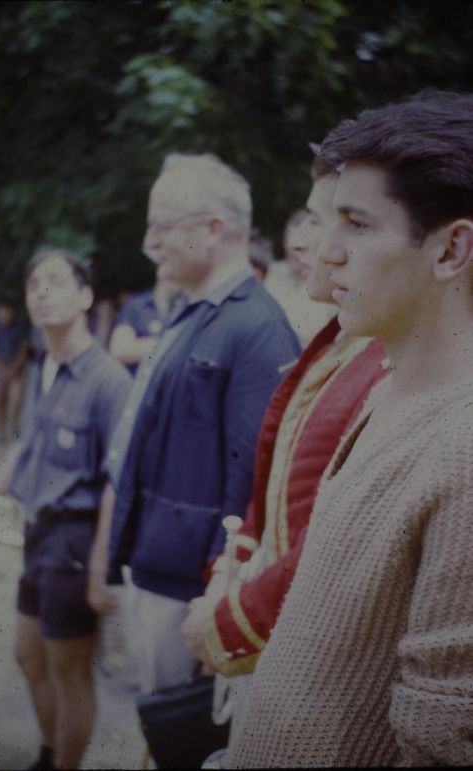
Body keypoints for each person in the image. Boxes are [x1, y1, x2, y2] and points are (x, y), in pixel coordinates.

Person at [227, 91, 473, 768]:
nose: (324, 252)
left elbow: (445, 744)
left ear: (453, 248)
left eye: (357, 226)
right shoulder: (387, 390)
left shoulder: (463, 452)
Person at [181, 147, 389, 753]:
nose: (314, 245)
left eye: (344, 222)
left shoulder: (383, 356)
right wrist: (230, 567)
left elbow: (331, 539)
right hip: (275, 625)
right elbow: (274, 483)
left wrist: (226, 620)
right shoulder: (341, 340)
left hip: (317, 662)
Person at [98, 152, 301, 765]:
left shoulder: (257, 329)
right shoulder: (194, 311)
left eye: (163, 224)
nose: (149, 241)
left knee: (182, 740)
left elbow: (254, 480)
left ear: (213, 228)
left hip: (188, 586)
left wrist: (217, 595)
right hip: (157, 564)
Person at [0, 246, 132, 771]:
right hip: (37, 534)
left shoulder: (109, 380)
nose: (41, 292)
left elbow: (118, 481)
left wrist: (98, 570)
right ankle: (49, 752)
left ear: (86, 295)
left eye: (56, 281)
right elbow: (28, 443)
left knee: (69, 670)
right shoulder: (45, 365)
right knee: (26, 653)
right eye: (34, 284)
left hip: (76, 541)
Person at [265, 208, 335, 345]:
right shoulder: (275, 272)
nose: (292, 248)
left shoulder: (327, 285)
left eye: (302, 244)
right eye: (288, 239)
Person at [108, 272, 182, 375]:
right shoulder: (136, 304)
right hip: (133, 384)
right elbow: (119, 350)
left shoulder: (187, 310)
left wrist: (140, 346)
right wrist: (170, 345)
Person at [0, 297, 29, 443]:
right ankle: (1, 430)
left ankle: (14, 425)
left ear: (12, 312)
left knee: (16, 400)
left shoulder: (18, 328)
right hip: (0, 371)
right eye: (1, 311)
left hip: (16, 371)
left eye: (7, 311)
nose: (4, 314)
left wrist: (14, 368)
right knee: (0, 401)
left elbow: (23, 350)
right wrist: (1, 369)